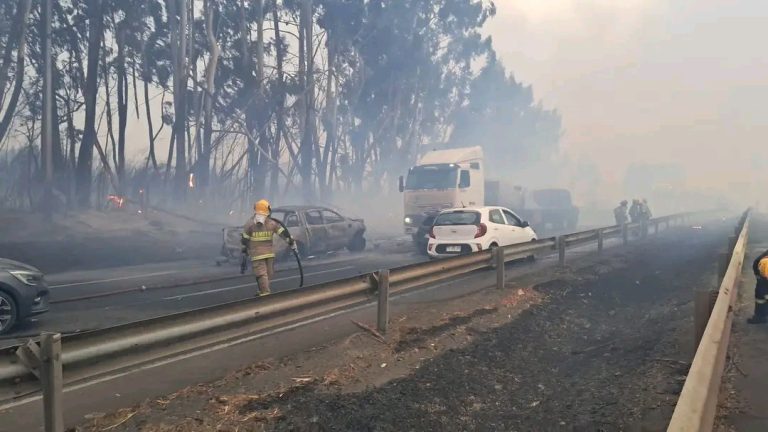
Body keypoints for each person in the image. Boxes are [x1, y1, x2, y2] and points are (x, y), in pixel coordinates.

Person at [241, 199, 296, 296]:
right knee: (267, 274)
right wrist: (290, 241)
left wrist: (246, 249)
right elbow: (283, 233)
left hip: (257, 254)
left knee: (261, 274)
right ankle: (263, 290)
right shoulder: (271, 223)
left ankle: (265, 294)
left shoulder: (250, 224)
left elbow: (244, 239)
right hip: (269, 254)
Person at [747, 249, 768, 324]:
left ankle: (760, 316)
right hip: (762, 275)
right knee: (760, 295)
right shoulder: (763, 263)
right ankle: (760, 317)